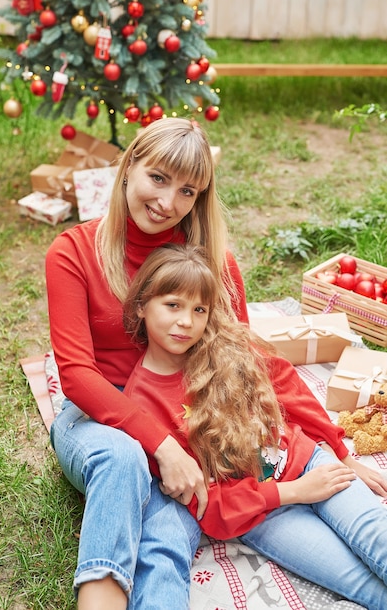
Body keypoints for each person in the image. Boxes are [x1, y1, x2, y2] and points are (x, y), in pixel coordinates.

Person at [45, 117, 249, 610]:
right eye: (158, 178)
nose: (168, 203)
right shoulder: (72, 252)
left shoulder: (209, 261)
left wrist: (195, 440)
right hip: (98, 416)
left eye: (187, 191)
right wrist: (160, 446)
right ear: (129, 166)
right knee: (123, 458)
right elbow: (76, 376)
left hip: (184, 419)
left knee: (167, 536)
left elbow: (238, 362)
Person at [123, 242, 387, 610]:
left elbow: (291, 393)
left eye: (199, 309)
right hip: (265, 512)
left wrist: (342, 454)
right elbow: (207, 506)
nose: (186, 321)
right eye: (172, 305)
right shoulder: (141, 405)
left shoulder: (227, 346)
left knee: (380, 538)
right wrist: (293, 492)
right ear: (141, 306)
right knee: (367, 587)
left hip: (308, 462)